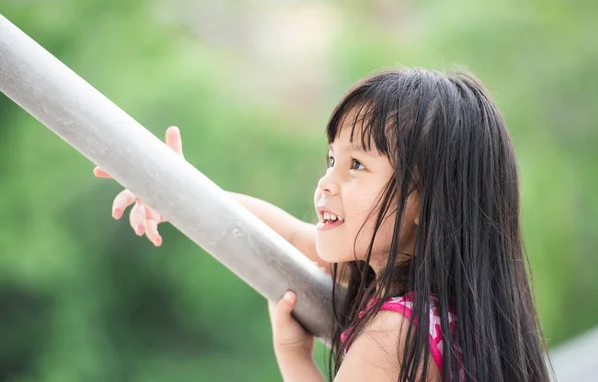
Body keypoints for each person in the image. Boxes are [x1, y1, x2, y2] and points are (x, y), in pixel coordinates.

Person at [94, 68, 551, 381]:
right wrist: (178, 191)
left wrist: (295, 360)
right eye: (333, 158)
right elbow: (290, 234)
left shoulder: (394, 335)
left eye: (357, 165)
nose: (326, 181)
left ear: (429, 201)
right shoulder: (448, 313)